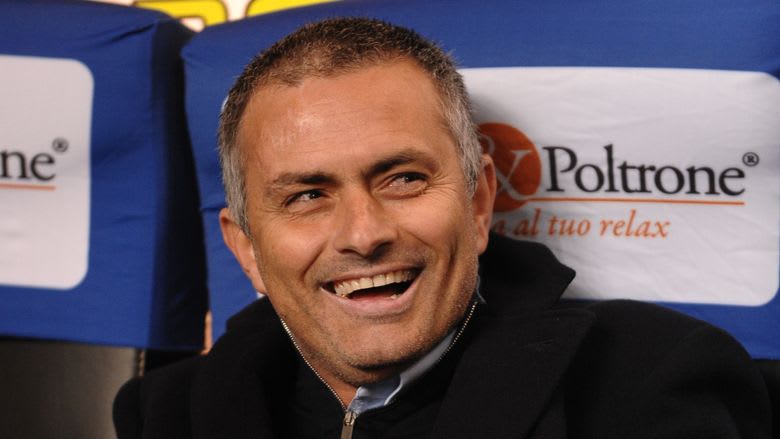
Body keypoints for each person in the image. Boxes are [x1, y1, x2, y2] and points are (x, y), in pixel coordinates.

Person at [113, 17, 772, 439]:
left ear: (480, 202)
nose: (363, 233)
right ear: (246, 248)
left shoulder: (650, 380)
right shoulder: (164, 414)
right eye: (309, 195)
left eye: (402, 179)